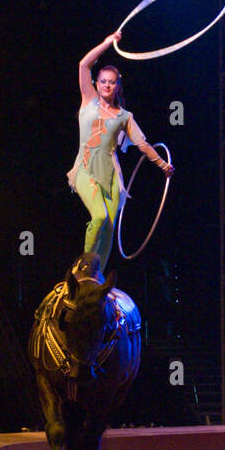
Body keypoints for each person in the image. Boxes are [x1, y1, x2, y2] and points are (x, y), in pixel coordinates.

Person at [67, 32, 174, 272]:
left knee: (110, 228)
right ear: (96, 83)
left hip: (113, 177)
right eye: (103, 80)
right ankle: (83, 267)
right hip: (86, 169)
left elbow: (144, 145)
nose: (106, 85)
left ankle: (96, 276)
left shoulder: (125, 117)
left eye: (111, 82)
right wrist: (107, 43)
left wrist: (163, 166)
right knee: (100, 217)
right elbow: (84, 64)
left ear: (118, 86)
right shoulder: (88, 102)